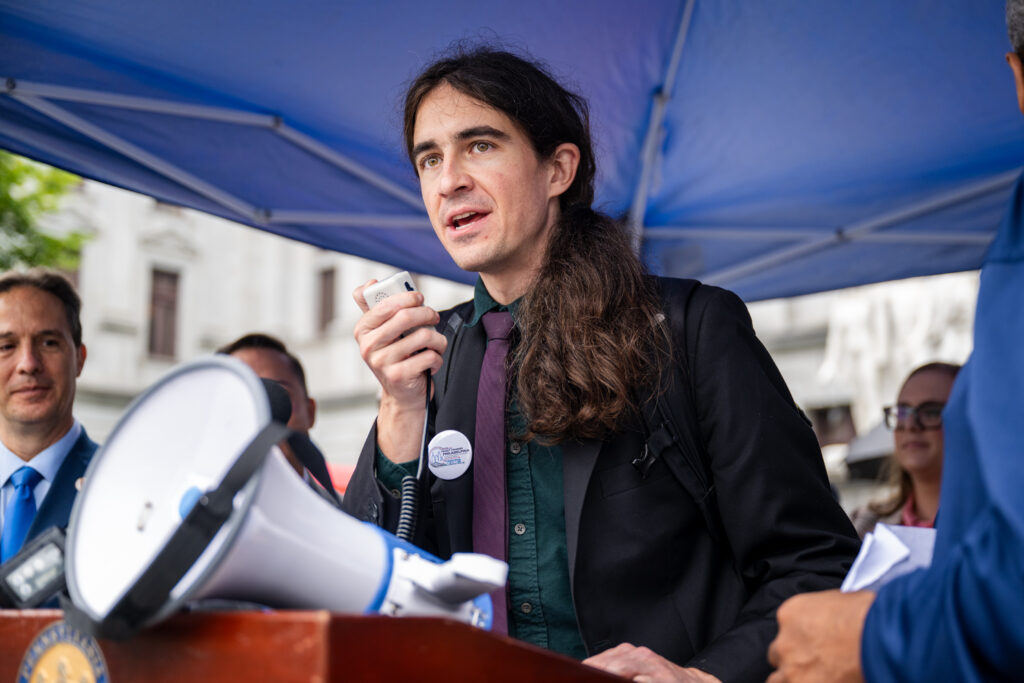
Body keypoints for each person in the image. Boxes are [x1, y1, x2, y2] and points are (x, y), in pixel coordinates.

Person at [342, 47, 859, 683]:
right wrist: (398, 409)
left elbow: (815, 564)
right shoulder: (429, 359)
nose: (449, 179)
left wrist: (705, 677)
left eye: (480, 146)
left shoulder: (689, 328)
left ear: (558, 168)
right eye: (429, 158)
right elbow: (364, 591)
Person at [768, 4, 1024, 679]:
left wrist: (875, 635)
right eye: (902, 412)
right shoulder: (872, 523)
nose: (911, 426)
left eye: (937, 410)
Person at [0, 269, 97, 563]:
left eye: (49, 343)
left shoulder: (121, 484)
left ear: (79, 359)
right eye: (6, 346)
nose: (28, 364)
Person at [217, 333, 338, 499]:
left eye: (278, 397)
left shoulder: (350, 516)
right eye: (240, 400)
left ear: (309, 413)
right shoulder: (179, 516)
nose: (261, 415)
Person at [849, 362, 960, 538]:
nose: (910, 425)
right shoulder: (863, 527)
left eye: (931, 412)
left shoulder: (1003, 523)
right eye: (902, 413)